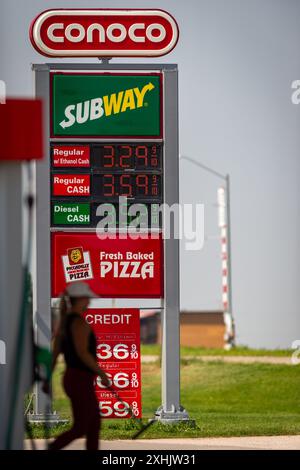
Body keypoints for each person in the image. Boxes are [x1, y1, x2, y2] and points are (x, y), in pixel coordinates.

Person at [47, 281, 109, 450]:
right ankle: (51, 448)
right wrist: (102, 373)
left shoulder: (64, 323)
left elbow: (55, 353)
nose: (89, 302)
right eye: (87, 298)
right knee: (82, 426)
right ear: (79, 299)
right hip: (80, 379)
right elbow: (83, 352)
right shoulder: (80, 324)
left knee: (93, 423)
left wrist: (47, 378)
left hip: (72, 378)